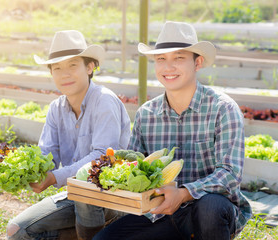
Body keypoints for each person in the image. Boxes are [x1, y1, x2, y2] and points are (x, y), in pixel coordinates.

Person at [93, 21, 252, 240]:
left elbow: (230, 174)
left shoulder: (222, 109)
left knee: (210, 207)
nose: (168, 67)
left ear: (198, 63)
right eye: (161, 59)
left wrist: (183, 194)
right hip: (160, 213)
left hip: (208, 212)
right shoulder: (146, 114)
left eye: (178, 58)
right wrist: (113, 173)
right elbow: (135, 166)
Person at [6, 30, 131, 240]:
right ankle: (104, 233)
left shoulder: (104, 101)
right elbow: (47, 155)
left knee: (85, 191)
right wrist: (24, 170)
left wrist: (55, 177)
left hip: (112, 195)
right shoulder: (56, 108)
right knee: (17, 231)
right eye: (57, 68)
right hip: (75, 194)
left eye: (72, 65)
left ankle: (113, 226)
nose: (65, 74)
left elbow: (103, 158)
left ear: (89, 67)